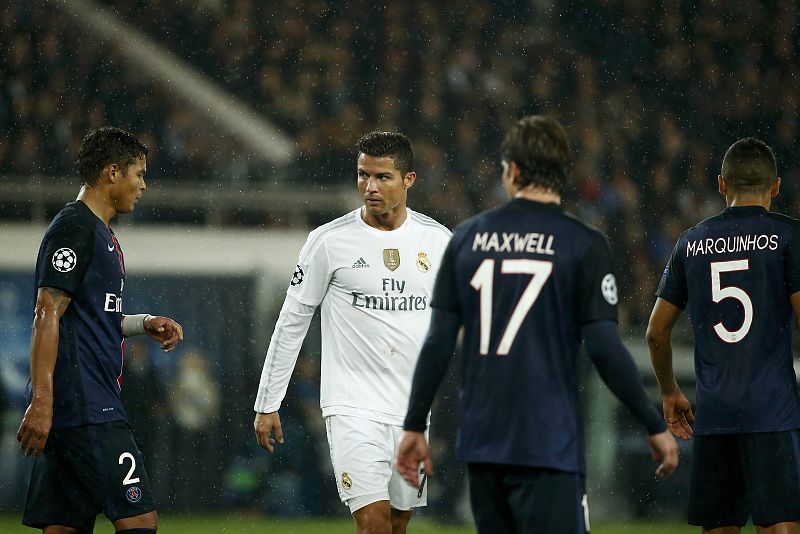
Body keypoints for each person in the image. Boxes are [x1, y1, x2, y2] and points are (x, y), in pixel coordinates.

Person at [396, 115, 678, 534]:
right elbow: (603, 347)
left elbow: (438, 340)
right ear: (563, 175)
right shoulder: (583, 243)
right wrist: (653, 422)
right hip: (547, 441)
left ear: (513, 171)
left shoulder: (467, 239)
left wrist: (415, 423)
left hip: (484, 443)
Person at [253, 131, 451, 534]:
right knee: (373, 524)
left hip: (411, 412)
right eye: (363, 176)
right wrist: (267, 401)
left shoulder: (439, 241)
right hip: (351, 407)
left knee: (397, 525)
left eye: (382, 177)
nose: (370, 187)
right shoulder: (329, 242)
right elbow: (292, 322)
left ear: (409, 180)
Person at [16, 126, 184, 534]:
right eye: (138, 174)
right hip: (88, 406)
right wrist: (41, 400)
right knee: (140, 519)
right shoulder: (75, 227)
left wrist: (143, 324)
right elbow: (46, 311)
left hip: (77, 406)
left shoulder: (102, 234)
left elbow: (91, 316)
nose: (143, 185)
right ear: (112, 173)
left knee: (63, 527)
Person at [647, 137, 800, 533]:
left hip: (715, 414)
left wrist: (669, 391)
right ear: (776, 186)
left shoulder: (691, 242)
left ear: (721, 185)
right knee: (781, 523)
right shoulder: (788, 237)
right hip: (773, 411)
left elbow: (656, 333)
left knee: (719, 527)